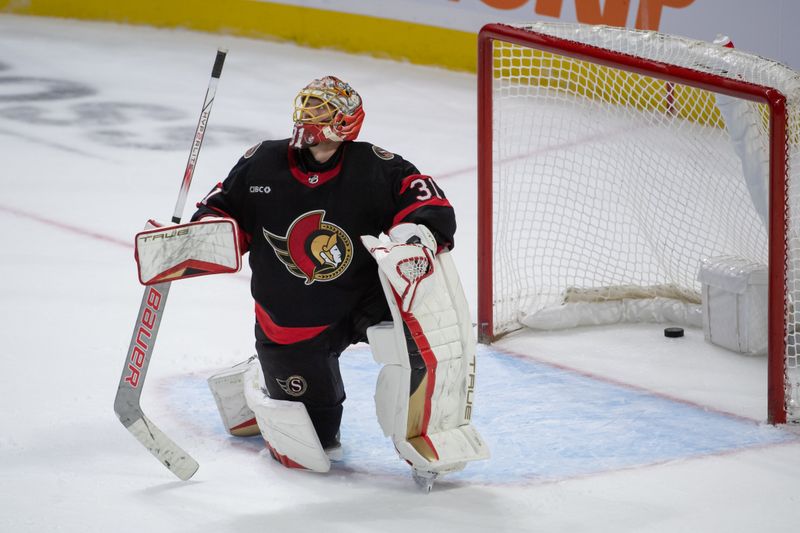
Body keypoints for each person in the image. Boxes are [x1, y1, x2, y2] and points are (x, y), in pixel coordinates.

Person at [192, 75, 456, 457]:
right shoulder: (262, 161)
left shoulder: (373, 166)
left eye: (320, 109)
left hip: (365, 298)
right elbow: (220, 211)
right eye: (306, 107)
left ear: (346, 121)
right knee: (317, 443)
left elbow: (426, 202)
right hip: (293, 320)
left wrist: (416, 236)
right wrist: (201, 234)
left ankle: (425, 436)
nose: (307, 117)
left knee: (421, 334)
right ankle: (259, 381)